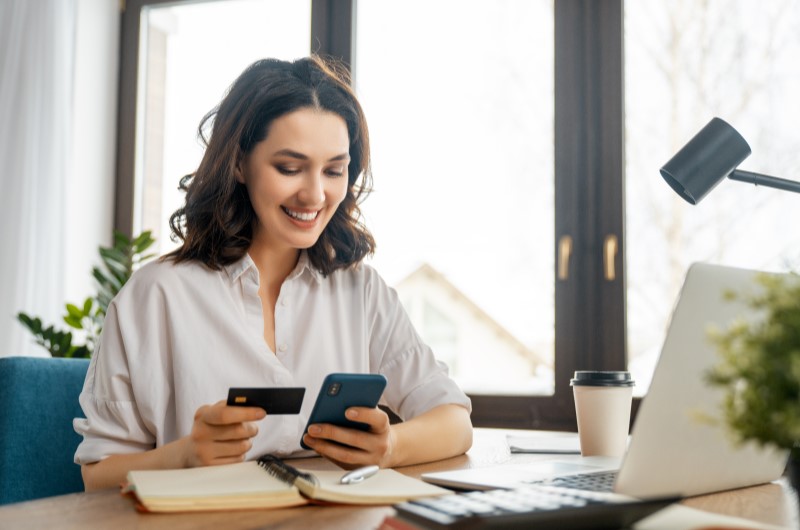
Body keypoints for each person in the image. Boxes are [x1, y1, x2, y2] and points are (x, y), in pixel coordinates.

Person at [74, 56, 473, 491]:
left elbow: (454, 422)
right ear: (239, 163)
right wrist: (185, 455)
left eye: (334, 170)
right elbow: (98, 475)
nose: (315, 194)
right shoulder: (157, 296)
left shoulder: (360, 291)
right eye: (289, 168)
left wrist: (390, 446)